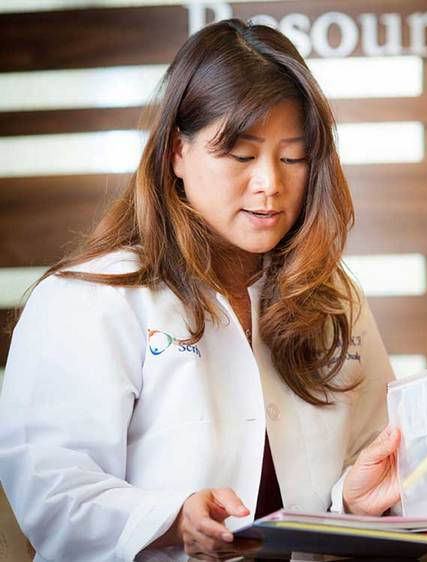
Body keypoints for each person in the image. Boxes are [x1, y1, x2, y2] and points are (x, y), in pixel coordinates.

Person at [0, 19, 402, 561]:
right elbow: (52, 491)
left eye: (292, 157)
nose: (270, 184)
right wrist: (172, 519)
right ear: (176, 154)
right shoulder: (91, 297)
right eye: (241, 156)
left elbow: (367, 459)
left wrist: (355, 505)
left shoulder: (334, 299)